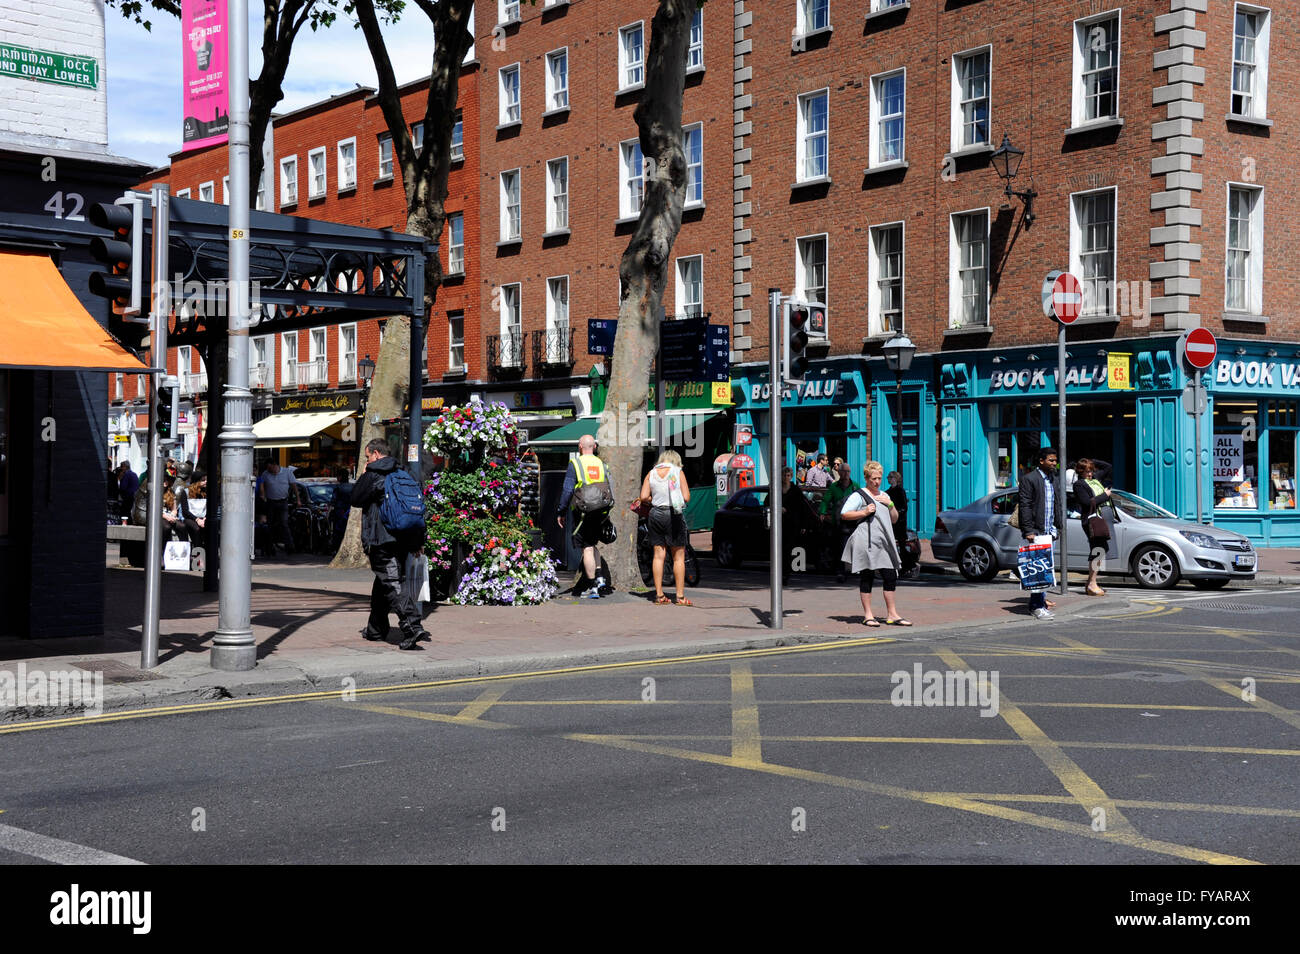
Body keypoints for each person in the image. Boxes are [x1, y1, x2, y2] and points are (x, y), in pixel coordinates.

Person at [350, 438, 430, 650]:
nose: (367, 460)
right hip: (403, 537)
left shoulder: (375, 473)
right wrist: (417, 541)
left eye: (367, 457)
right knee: (383, 582)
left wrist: (366, 471)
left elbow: (355, 498)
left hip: (381, 540)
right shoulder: (404, 472)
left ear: (376, 454)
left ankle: (412, 626)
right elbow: (417, 508)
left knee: (393, 583)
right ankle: (376, 630)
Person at [841, 461, 910, 627]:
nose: (877, 482)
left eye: (879, 478)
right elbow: (844, 514)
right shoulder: (859, 495)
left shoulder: (885, 495)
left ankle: (892, 614)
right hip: (866, 541)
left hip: (883, 541)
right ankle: (868, 615)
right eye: (873, 478)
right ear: (866, 478)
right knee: (867, 576)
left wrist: (891, 505)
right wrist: (864, 511)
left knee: (890, 576)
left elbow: (894, 519)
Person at [557, 434, 611, 598]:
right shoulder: (602, 464)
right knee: (593, 544)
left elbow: (567, 490)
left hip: (582, 512)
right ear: (594, 447)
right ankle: (600, 578)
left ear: (580, 447)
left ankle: (592, 586)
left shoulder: (576, 463)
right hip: (600, 511)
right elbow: (610, 487)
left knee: (586, 548)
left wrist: (561, 511)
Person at [639, 449, 692, 605]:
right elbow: (687, 497)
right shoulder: (677, 471)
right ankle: (680, 597)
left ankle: (659, 595)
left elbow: (643, 497)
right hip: (673, 514)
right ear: (676, 460)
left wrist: (654, 498)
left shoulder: (651, 473)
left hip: (655, 514)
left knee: (658, 555)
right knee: (678, 556)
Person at [1018, 447, 1064, 620]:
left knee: (1045, 570)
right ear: (1041, 461)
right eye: (1051, 460)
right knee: (1037, 571)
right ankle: (1036, 607)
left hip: (1049, 532)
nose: (1054, 463)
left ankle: (1039, 603)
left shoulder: (1054, 480)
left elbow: (1057, 504)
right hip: (1036, 532)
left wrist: (1058, 527)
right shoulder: (1029, 479)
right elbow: (1025, 505)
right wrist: (1028, 530)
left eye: (1055, 460)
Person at [1074, 457, 1114, 597]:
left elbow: (1108, 466)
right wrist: (1105, 495)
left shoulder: (1095, 479)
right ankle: (1092, 583)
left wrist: (1091, 461)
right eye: (1086, 471)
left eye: (1091, 471)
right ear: (1080, 471)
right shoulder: (1079, 484)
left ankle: (1092, 582)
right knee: (1097, 549)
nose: (1090, 474)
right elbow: (1087, 502)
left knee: (1101, 549)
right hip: (1091, 520)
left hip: (1101, 518)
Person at [820, 462, 860, 583]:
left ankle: (857, 570)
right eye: (844, 471)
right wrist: (822, 512)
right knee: (841, 548)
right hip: (839, 522)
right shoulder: (834, 487)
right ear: (839, 472)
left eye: (848, 471)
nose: (847, 474)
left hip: (853, 521)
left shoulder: (855, 486)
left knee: (856, 547)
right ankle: (841, 572)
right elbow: (825, 500)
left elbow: (862, 501)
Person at [259, 459, 297, 554]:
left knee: (284, 523)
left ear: (275, 465)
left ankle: (290, 546)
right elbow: (262, 486)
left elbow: (294, 486)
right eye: (267, 468)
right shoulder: (265, 474)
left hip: (283, 501)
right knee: (270, 524)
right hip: (271, 502)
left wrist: (298, 499)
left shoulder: (287, 472)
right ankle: (270, 547)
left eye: (269, 467)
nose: (268, 470)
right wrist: (263, 497)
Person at [886, 471, 917, 577]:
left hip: (900, 523)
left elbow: (904, 507)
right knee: (891, 546)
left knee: (902, 546)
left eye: (890, 477)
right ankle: (895, 566)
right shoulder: (888, 492)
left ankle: (909, 566)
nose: (888, 479)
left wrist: (897, 514)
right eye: (888, 477)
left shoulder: (900, 491)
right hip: (891, 522)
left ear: (895, 478)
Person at [178, 469, 208, 542]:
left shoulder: (206, 492)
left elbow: (209, 508)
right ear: (197, 481)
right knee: (196, 529)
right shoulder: (186, 492)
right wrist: (197, 520)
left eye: (206, 480)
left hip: (203, 517)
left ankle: (204, 550)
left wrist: (204, 519)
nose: (206, 482)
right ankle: (197, 549)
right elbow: (185, 511)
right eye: (203, 480)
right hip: (190, 518)